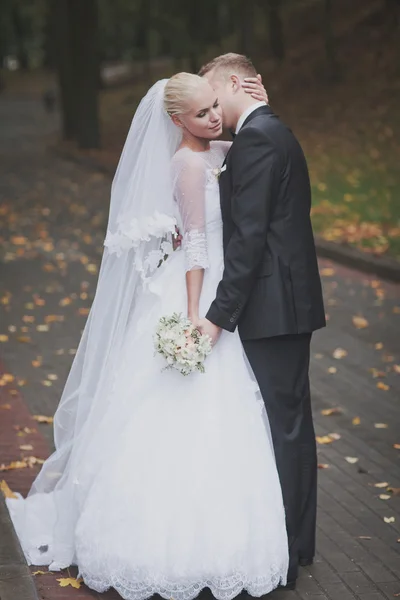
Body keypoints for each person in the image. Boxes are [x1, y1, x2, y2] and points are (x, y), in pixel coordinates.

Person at [6, 73, 289, 600]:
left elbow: (249, 136)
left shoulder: (217, 146)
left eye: (213, 108)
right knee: (181, 406)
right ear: (176, 120)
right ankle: (153, 545)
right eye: (201, 112)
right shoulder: (185, 163)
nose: (212, 117)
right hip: (196, 286)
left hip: (221, 282)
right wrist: (192, 316)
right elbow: (197, 244)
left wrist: (256, 103)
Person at [194, 54, 326, 588]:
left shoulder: (260, 138)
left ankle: (289, 554)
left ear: (232, 83)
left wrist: (217, 316)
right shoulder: (263, 131)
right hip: (283, 303)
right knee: (291, 424)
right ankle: (300, 544)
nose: (210, 107)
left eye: (212, 95)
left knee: (285, 428)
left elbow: (248, 239)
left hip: (273, 307)